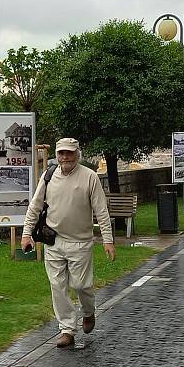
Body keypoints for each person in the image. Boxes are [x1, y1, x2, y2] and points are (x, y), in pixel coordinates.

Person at [21, 138, 116, 348]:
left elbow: (101, 210)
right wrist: (26, 234)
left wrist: (107, 240)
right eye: (62, 153)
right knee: (57, 286)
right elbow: (35, 207)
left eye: (70, 153)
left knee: (82, 285)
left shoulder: (89, 177)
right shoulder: (48, 176)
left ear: (77, 154)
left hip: (80, 242)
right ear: (56, 154)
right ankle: (67, 329)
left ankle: (89, 313)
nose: (65, 157)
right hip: (54, 241)